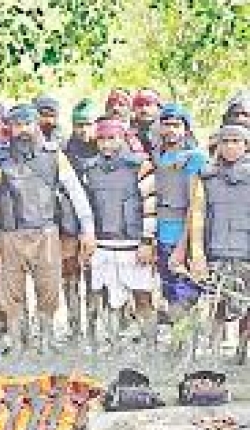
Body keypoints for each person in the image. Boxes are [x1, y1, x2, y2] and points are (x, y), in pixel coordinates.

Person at [0, 104, 95, 355]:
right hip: (10, 235)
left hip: (46, 234)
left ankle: (46, 341)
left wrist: (88, 229)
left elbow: (76, 192)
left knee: (49, 290)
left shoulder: (55, 156)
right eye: (17, 125)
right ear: (9, 128)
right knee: (11, 295)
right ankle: (18, 344)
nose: (23, 130)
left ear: (36, 125)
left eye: (27, 124)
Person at [81, 119, 157, 352]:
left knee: (142, 296)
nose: (106, 144)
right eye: (101, 139)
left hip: (133, 243)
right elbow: (84, 207)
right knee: (104, 296)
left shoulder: (140, 165)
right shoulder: (89, 169)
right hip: (101, 244)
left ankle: (150, 345)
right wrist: (86, 238)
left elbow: (151, 205)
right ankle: (112, 345)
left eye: (112, 138)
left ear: (123, 138)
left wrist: (147, 241)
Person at [189, 125, 250, 365]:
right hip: (216, 250)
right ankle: (212, 354)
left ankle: (241, 352)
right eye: (226, 141)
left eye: (236, 141)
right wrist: (197, 254)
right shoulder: (207, 177)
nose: (231, 146)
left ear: (246, 145)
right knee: (217, 305)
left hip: (246, 252)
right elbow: (197, 217)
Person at [152, 103, 207, 361]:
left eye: (176, 125)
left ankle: (186, 352)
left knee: (186, 297)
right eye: (166, 124)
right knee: (170, 295)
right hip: (161, 234)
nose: (171, 130)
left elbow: (194, 206)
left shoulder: (194, 158)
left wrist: (183, 246)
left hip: (184, 238)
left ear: (186, 128)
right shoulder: (158, 157)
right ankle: (177, 346)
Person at [61, 98, 100, 343]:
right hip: (68, 225)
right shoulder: (64, 152)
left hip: (99, 226)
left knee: (94, 279)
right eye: (79, 125)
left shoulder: (106, 151)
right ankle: (74, 328)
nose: (83, 129)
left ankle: (94, 330)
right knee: (70, 277)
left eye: (88, 124)